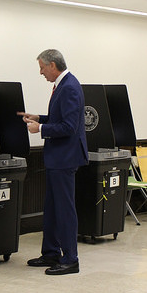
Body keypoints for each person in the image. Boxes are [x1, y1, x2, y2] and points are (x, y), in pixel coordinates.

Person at [18, 49, 88, 275]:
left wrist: (40, 128)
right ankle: (50, 253)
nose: (41, 73)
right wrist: (40, 118)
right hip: (57, 157)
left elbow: (69, 127)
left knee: (64, 210)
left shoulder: (69, 87)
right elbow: (61, 119)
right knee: (52, 209)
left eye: (42, 67)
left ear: (52, 65)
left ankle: (70, 259)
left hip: (65, 158)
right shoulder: (63, 85)